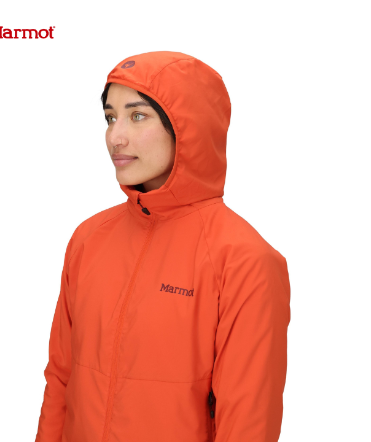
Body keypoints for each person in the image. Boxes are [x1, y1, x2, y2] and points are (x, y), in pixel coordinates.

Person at [34, 51, 291, 442]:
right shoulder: (89, 238)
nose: (115, 136)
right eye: (110, 117)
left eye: (138, 116)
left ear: (188, 126)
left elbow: (248, 421)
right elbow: (60, 381)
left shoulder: (244, 260)